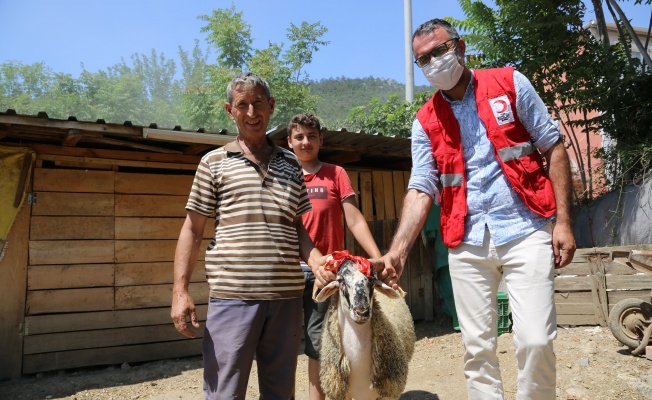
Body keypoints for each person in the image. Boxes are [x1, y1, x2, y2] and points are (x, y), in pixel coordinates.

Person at [378, 19, 577, 400]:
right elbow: (422, 186)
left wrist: (563, 223)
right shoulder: (425, 121)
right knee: (477, 349)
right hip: (465, 240)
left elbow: (553, 147)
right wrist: (398, 251)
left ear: (460, 46)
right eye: (422, 59)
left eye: (438, 51)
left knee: (535, 341)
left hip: (526, 227)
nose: (433, 62)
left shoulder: (510, 84)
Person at [170, 72, 333, 400]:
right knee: (224, 392)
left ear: (270, 106)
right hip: (233, 296)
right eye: (242, 105)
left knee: (279, 392)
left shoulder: (290, 163)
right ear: (230, 111)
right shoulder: (213, 163)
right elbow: (192, 228)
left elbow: (297, 226)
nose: (251, 112)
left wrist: (316, 260)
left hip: (286, 298)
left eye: (258, 103)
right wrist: (180, 291)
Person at [286, 113, 382, 400]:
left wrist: (378, 259)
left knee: (321, 342)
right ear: (289, 142)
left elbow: (354, 220)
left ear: (321, 140)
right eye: (299, 137)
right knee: (283, 343)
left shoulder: (335, 173)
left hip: (328, 274)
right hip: (286, 272)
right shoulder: (281, 175)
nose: (306, 141)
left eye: (311, 136)